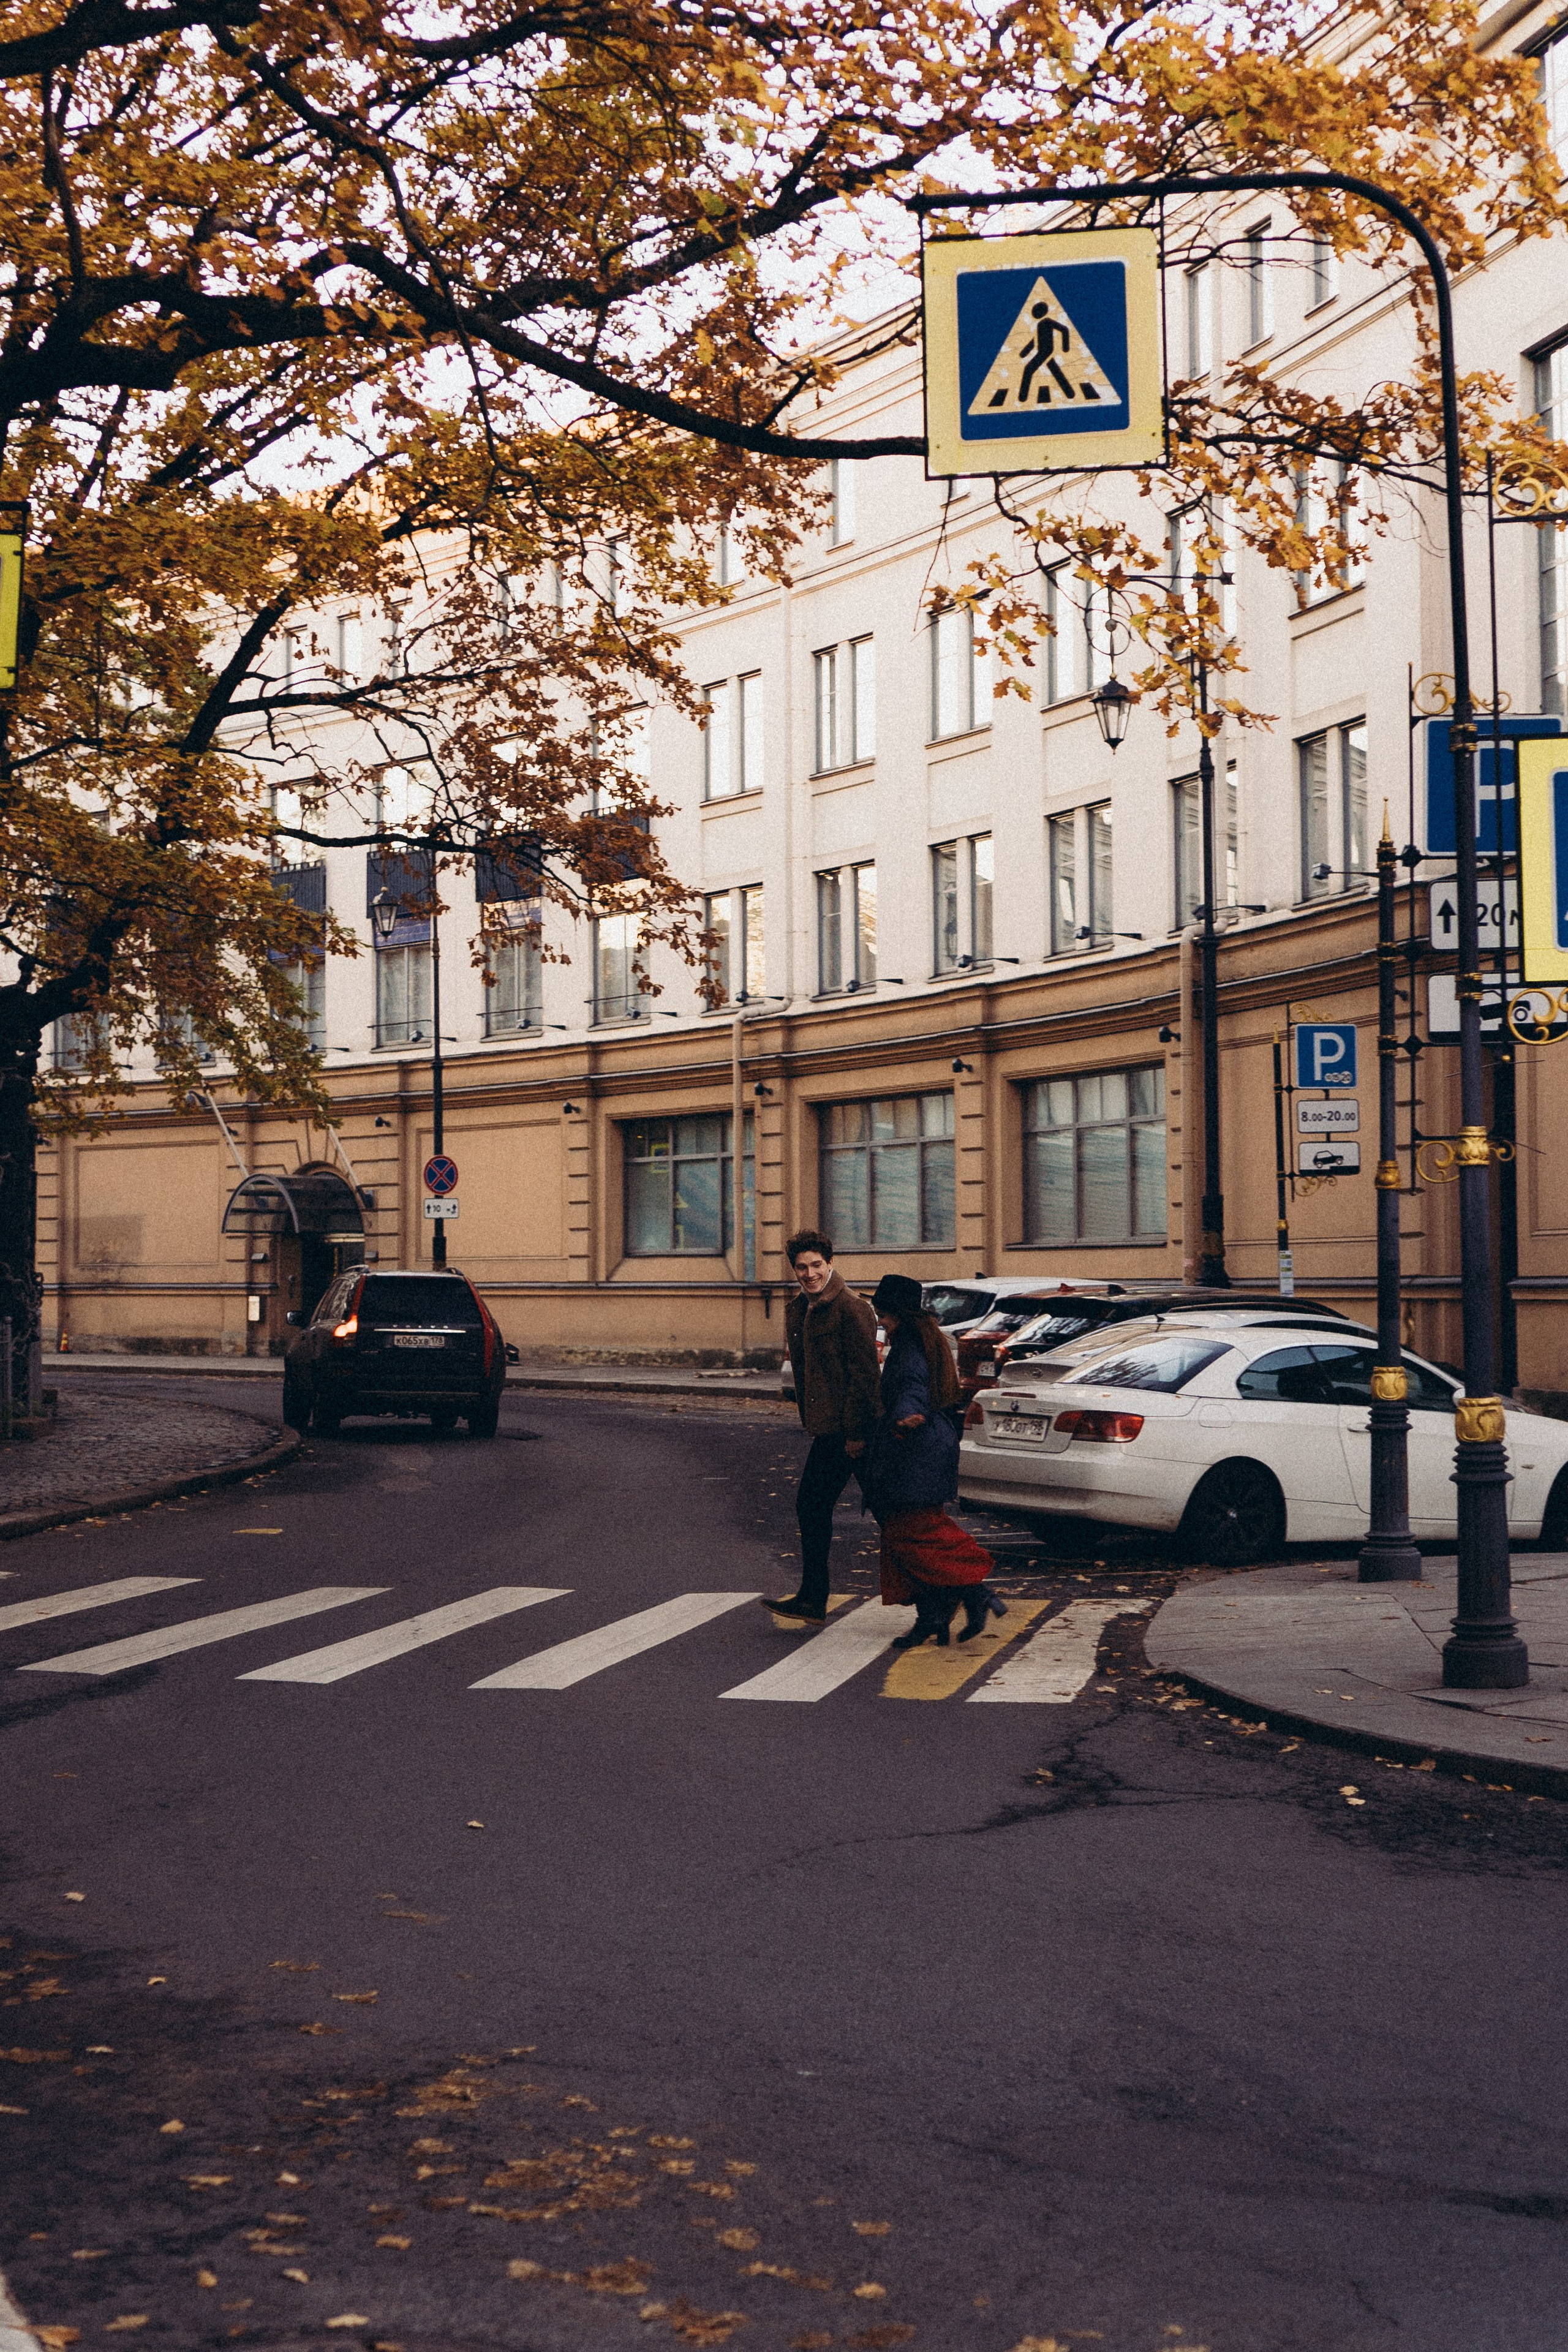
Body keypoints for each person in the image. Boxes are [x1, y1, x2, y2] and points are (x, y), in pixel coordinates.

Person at [860, 1272, 1004, 1651]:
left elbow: (912, 1384)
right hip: (927, 1446)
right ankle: (934, 1617)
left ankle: (974, 1592)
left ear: (899, 1314)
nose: (881, 1321)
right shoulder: (927, 1338)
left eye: (883, 1315)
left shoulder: (910, 1345)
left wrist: (906, 1415)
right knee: (907, 1536)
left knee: (915, 1534)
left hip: (915, 1448)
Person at [763, 1229, 881, 1624]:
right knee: (817, 1507)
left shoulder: (851, 1308)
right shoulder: (801, 1309)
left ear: (831, 1264)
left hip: (852, 1431)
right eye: (802, 1267)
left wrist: (857, 1435)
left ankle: (954, 1593)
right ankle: (813, 1599)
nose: (810, 1274)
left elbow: (865, 1377)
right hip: (831, 1429)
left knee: (891, 1515)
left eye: (817, 1265)